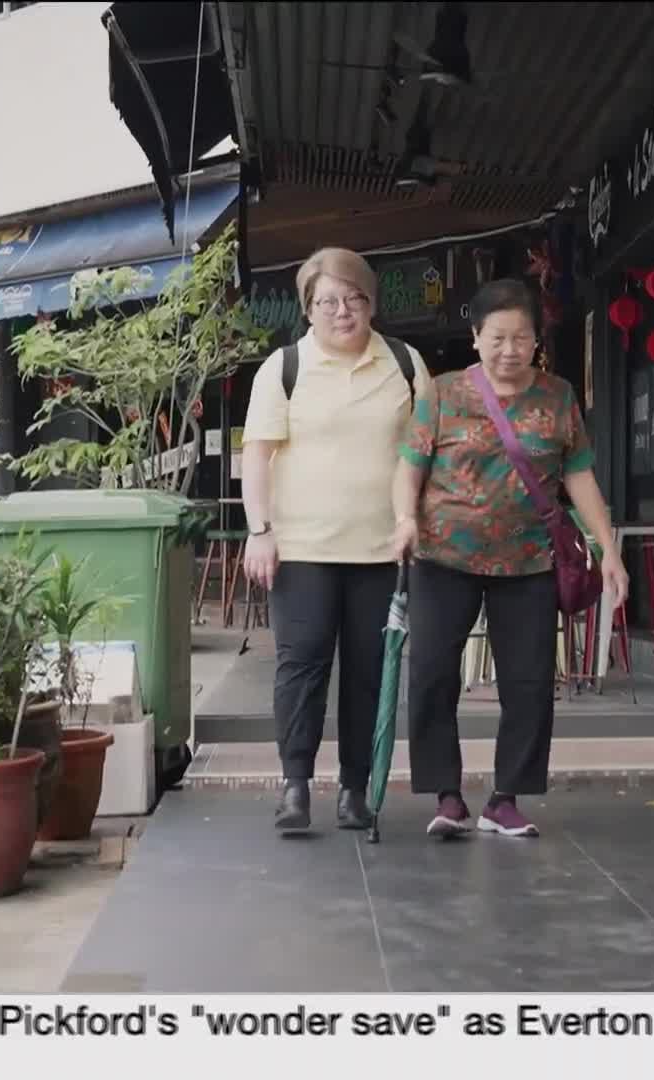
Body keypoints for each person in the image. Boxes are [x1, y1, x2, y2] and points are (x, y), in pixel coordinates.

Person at [390, 278, 629, 838]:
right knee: (430, 675)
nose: (509, 349)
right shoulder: (444, 393)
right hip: (443, 556)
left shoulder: (558, 396)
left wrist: (608, 549)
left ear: (536, 342)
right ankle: (446, 795)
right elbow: (410, 467)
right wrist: (404, 520)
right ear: (476, 338)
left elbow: (578, 474)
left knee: (527, 682)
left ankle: (506, 797)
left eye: (521, 338)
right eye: (497, 337)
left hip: (528, 562)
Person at [240, 247, 434, 833]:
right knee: (301, 668)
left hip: (381, 549)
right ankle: (294, 786)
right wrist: (260, 532)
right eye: (328, 301)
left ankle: (356, 789)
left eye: (354, 299)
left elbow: (422, 450)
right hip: (301, 550)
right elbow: (257, 453)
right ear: (308, 308)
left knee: (369, 672)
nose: (342, 311)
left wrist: (412, 517)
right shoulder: (283, 368)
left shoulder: (405, 363)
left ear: (370, 303)